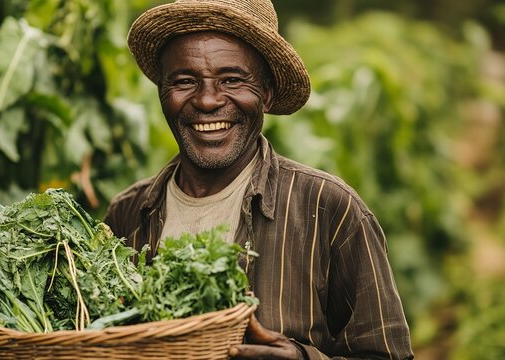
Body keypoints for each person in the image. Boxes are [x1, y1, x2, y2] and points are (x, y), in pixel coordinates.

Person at [104, 0, 414, 358]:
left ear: (265, 94)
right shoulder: (126, 215)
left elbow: (386, 353)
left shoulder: (329, 209)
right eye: (185, 80)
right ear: (162, 94)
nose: (207, 101)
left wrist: (302, 358)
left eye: (232, 80)